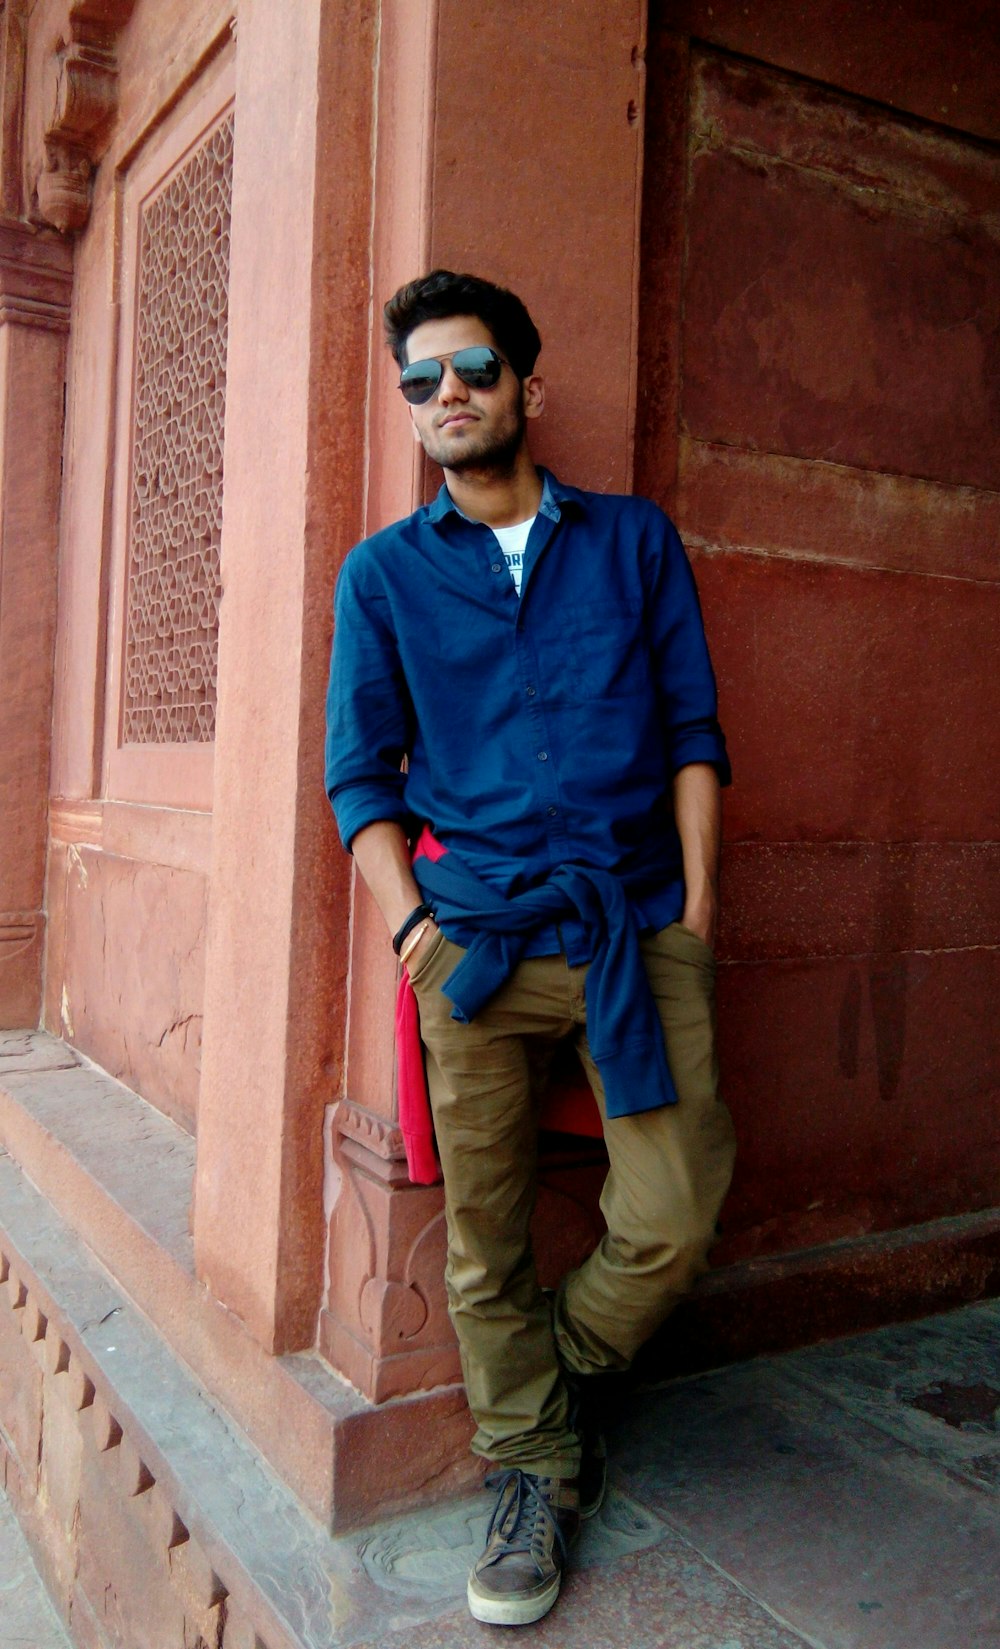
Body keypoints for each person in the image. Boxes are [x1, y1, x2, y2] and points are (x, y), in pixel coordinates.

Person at [325, 269, 736, 1627]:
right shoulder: (383, 576)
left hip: (631, 927)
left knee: (674, 1214)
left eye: (473, 369)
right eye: (422, 380)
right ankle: (535, 1469)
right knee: (484, 1242)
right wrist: (416, 937)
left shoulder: (631, 543)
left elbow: (692, 732)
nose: (448, 395)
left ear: (526, 387)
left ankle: (536, 1392)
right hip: (476, 952)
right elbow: (360, 784)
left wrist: (696, 913)